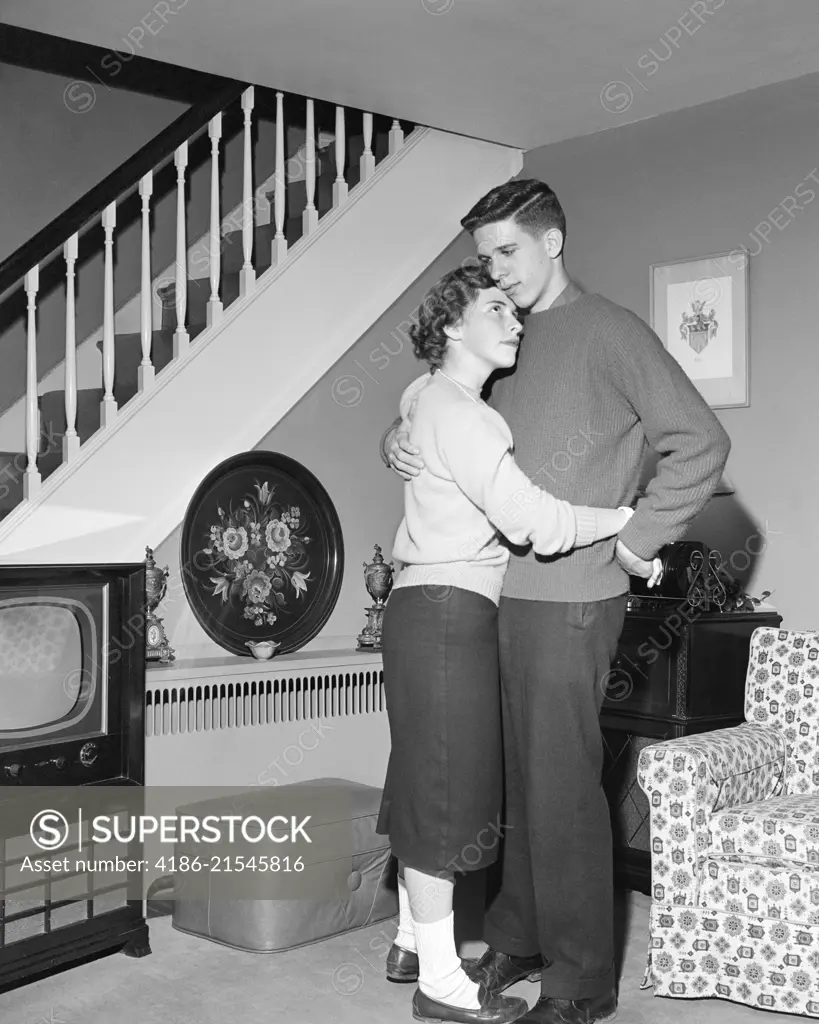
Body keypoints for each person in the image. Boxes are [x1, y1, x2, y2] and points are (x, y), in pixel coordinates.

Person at [382, 179, 731, 1024]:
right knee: (510, 784)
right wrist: (391, 436)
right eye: (483, 260)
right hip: (491, 597)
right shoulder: (503, 341)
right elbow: (441, 416)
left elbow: (701, 441)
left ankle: (581, 979)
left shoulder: (609, 330)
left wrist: (635, 542)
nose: (496, 273)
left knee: (563, 784)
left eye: (507, 252)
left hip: (570, 595)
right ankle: (519, 932)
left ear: (552, 241)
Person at [375, 263, 646, 1024]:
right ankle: (440, 984)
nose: (515, 318)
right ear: (454, 326)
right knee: (445, 794)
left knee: (426, 776)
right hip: (448, 612)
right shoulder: (463, 415)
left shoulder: (430, 397)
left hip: (424, 607)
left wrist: (394, 433)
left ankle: (407, 939)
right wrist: (624, 520)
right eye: (495, 307)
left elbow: (407, 409)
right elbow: (536, 522)